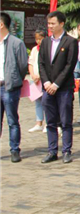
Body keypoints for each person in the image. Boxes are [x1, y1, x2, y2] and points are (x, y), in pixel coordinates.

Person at [38, 11, 79, 164]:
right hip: (48, 87)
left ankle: (66, 150)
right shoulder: (46, 42)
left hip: (63, 88)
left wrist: (56, 84)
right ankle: (52, 151)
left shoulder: (70, 42)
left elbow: (70, 65)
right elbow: (41, 63)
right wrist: (46, 82)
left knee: (66, 120)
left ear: (61, 24)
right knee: (50, 121)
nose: (50, 26)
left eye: (53, 23)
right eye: (49, 24)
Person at [0, 12, 29, 163]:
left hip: (9, 87)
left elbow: (23, 66)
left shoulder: (16, 43)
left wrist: (15, 80)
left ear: (1, 24)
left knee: (12, 120)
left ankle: (14, 150)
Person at [28, 28, 47, 133]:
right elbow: (30, 63)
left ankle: (48, 123)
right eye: (37, 39)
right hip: (35, 80)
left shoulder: (48, 49)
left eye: (41, 39)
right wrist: (33, 75)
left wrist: (40, 76)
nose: (39, 41)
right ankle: (38, 122)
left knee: (47, 102)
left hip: (44, 80)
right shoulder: (35, 49)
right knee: (38, 102)